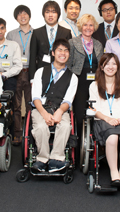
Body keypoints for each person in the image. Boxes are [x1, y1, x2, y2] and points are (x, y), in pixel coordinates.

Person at [89, 53, 120, 186]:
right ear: (102, 67)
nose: (110, 67)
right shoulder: (94, 85)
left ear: (118, 67)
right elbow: (95, 110)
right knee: (112, 138)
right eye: (107, 63)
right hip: (103, 120)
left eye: (114, 64)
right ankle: (114, 172)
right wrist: (107, 119)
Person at [31, 39, 78, 172]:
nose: (63, 53)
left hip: (60, 108)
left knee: (64, 126)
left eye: (66, 50)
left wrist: (59, 112)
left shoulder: (73, 77)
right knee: (40, 127)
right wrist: (44, 114)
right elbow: (35, 97)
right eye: (60, 50)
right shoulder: (41, 71)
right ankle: (42, 158)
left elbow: (68, 100)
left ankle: (56, 158)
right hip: (41, 108)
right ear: (53, 53)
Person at [66, 14, 103, 145]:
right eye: (85, 25)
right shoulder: (72, 42)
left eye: (91, 25)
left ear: (94, 27)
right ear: (81, 27)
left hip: (96, 83)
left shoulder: (98, 44)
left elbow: (101, 65)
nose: (88, 27)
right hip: (79, 82)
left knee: (95, 112)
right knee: (80, 113)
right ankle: (80, 143)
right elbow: (68, 65)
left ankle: (95, 142)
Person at [6, 5, 33, 146]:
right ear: (16, 17)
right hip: (16, 73)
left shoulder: (36, 32)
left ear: (29, 15)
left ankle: (28, 133)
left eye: (25, 14)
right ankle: (17, 134)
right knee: (15, 106)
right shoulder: (10, 34)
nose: (22, 16)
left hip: (30, 73)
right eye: (19, 14)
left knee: (30, 105)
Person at [29, 0, 72, 81]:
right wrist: (32, 78)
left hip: (61, 73)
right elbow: (32, 57)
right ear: (43, 14)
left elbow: (69, 56)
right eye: (47, 12)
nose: (50, 15)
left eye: (53, 12)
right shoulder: (36, 33)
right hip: (41, 73)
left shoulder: (66, 32)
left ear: (58, 14)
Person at [0, 17, 22, 93]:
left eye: (2, 28)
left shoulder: (14, 45)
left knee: (9, 103)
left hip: (9, 79)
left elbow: (18, 66)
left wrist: (4, 74)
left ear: (5, 29)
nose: (0, 31)